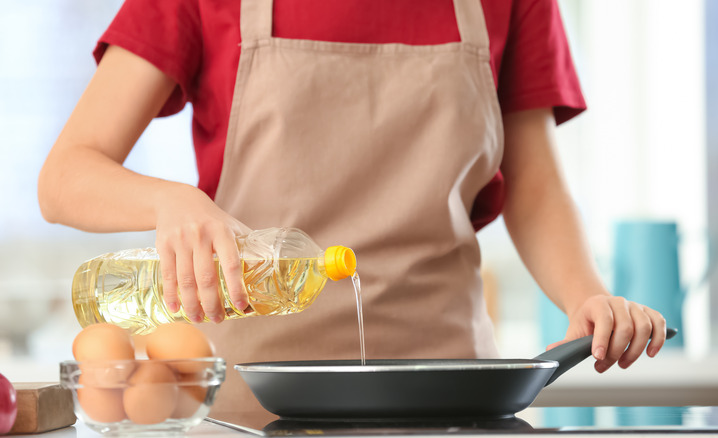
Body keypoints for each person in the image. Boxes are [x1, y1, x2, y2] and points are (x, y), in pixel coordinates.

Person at [38, 0, 668, 427]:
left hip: (449, 406)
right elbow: (65, 175)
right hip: (252, 412)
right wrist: (169, 200)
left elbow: (533, 185)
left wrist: (583, 295)